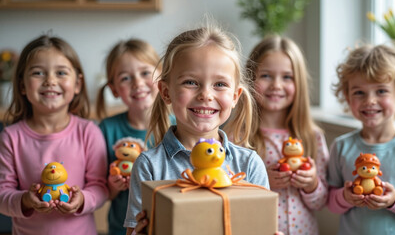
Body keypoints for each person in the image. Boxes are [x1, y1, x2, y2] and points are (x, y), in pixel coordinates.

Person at [124, 24, 270, 234]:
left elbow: (261, 226)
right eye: (191, 82)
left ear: (235, 96)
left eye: (219, 84)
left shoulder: (249, 165)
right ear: (166, 92)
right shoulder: (149, 166)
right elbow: (135, 230)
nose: (206, 95)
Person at [0, 35, 108, 234]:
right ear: (22, 85)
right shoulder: (10, 138)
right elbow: (2, 194)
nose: (50, 80)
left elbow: (100, 188)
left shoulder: (89, 132)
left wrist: (82, 199)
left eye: (60, 72)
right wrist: (25, 200)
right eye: (38, 73)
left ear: (77, 84)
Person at [327, 44, 395, 234]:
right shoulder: (340, 146)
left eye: (381, 91)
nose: (370, 100)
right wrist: (345, 197)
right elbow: (330, 203)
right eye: (359, 92)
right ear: (347, 96)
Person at [245, 35, 329, 235]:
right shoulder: (239, 137)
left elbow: (321, 202)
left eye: (287, 77)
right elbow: (230, 197)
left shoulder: (312, 137)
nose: (276, 85)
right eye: (266, 75)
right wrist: (263, 183)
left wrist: (312, 184)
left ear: (298, 83)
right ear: (250, 78)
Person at [96, 38, 163, 235]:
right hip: (122, 229)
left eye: (145, 73)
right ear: (114, 89)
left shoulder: (179, 126)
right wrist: (114, 185)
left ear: (162, 76)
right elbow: (102, 191)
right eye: (126, 78)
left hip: (169, 225)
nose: (138, 83)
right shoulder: (107, 129)